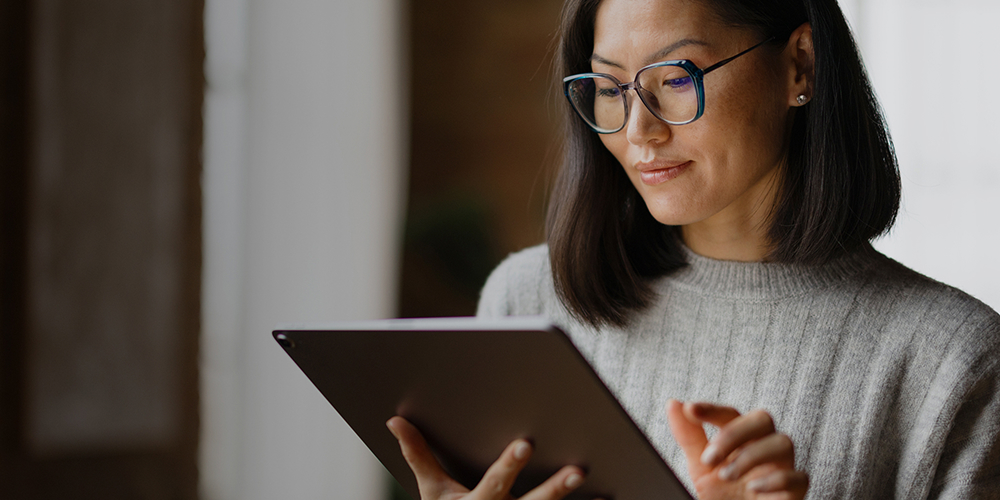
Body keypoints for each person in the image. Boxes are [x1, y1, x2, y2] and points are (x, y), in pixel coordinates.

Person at [386, 0, 1000, 498]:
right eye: (609, 88)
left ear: (801, 66)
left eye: (677, 77)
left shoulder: (951, 358)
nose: (639, 131)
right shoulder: (526, 301)